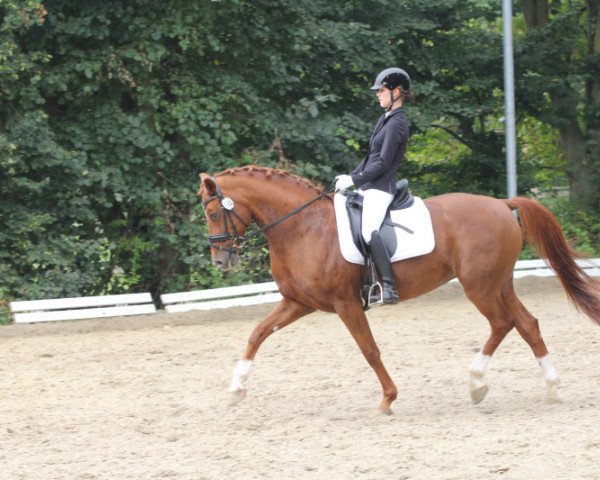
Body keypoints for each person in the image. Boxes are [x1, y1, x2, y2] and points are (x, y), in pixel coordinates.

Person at [335, 67, 413, 304]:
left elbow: (383, 162)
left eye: (381, 90)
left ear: (396, 91)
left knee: (369, 230)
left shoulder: (398, 123)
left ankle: (389, 288)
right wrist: (351, 176)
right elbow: (371, 157)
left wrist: (356, 180)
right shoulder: (385, 119)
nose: (378, 94)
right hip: (369, 185)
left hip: (381, 188)